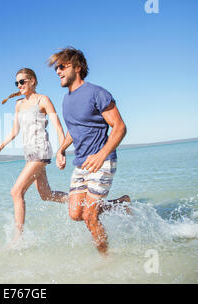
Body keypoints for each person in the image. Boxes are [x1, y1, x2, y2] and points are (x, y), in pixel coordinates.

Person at [49, 47, 130, 256]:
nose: (57, 71)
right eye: (56, 67)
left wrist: (102, 154)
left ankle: (106, 260)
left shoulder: (97, 93)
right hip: (81, 163)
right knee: (75, 213)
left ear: (77, 67)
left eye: (61, 66)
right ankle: (120, 204)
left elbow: (120, 127)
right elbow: (73, 130)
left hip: (102, 161)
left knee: (89, 217)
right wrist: (61, 149)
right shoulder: (66, 100)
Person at [0, 68, 68, 246]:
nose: (19, 85)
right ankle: (83, 201)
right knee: (46, 195)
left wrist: (62, 150)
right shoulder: (18, 104)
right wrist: (0, 147)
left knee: (16, 192)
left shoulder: (43, 100)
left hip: (40, 151)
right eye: (17, 83)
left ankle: (18, 238)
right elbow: (15, 131)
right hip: (29, 154)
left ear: (32, 81)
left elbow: (57, 125)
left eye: (22, 81)